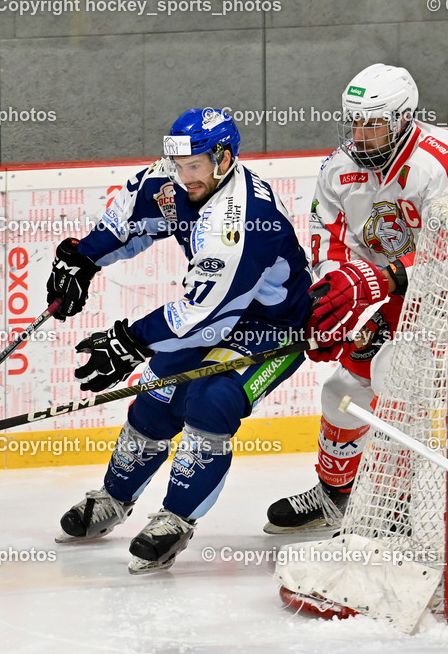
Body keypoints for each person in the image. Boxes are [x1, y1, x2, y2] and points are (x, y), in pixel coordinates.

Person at [44, 108, 312, 574]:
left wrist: (127, 341)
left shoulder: (242, 221)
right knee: (157, 395)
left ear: (224, 158)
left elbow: (199, 319)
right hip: (215, 317)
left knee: (212, 399)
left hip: (271, 330)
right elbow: (131, 215)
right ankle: (114, 497)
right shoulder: (181, 177)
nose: (183, 177)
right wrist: (82, 258)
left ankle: (175, 517)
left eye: (195, 167)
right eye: (178, 165)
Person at [264, 63, 448, 533]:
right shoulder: (340, 168)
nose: (361, 134)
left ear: (402, 118)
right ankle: (336, 494)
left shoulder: (444, 162)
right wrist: (336, 300)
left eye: (373, 123)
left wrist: (380, 280)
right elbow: (329, 238)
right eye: (354, 121)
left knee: (399, 383)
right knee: (343, 391)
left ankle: (391, 514)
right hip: (401, 290)